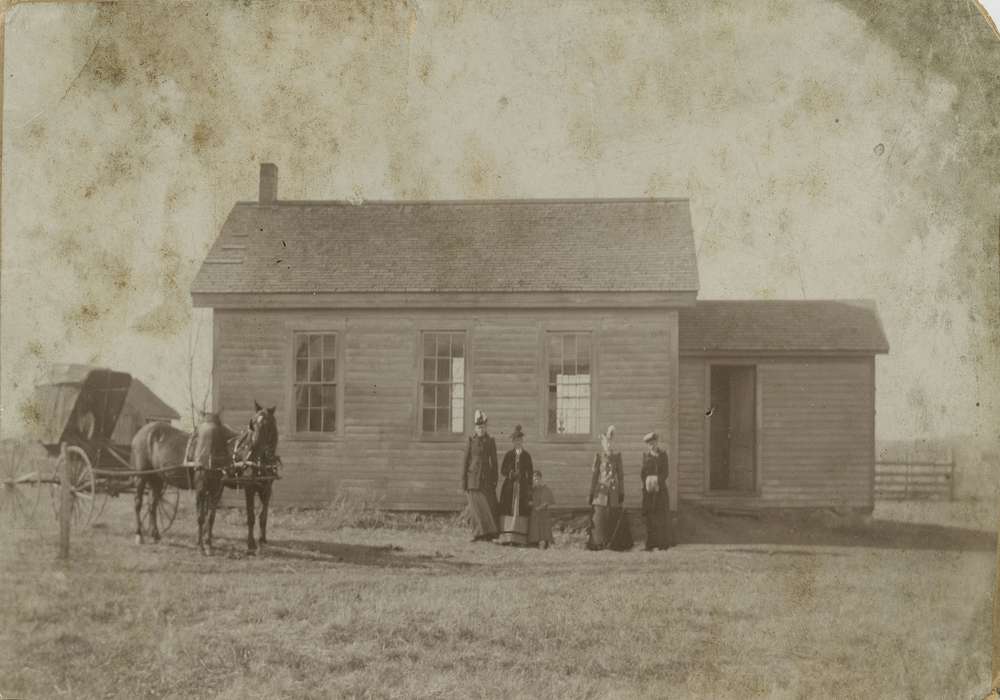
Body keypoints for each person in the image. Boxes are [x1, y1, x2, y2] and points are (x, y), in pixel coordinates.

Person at [586, 426, 633, 551]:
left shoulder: (617, 457)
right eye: (606, 443)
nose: (608, 445)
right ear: (602, 444)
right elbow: (594, 477)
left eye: (610, 442)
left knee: (613, 516)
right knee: (600, 517)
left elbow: (621, 476)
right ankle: (599, 542)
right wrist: (591, 493)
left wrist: (621, 492)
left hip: (613, 492)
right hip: (600, 493)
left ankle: (614, 544)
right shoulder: (598, 457)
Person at [461, 409, 499, 542]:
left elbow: (494, 462)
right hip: (473, 479)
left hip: (486, 479)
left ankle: (489, 534)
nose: (481, 429)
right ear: (475, 428)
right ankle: (476, 533)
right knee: (475, 508)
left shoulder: (490, 441)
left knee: (488, 506)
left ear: (486, 427)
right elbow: (466, 462)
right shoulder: (471, 441)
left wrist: (495, 479)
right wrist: (464, 481)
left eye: (483, 427)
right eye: (478, 427)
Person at [498, 424, 532, 545]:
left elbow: (530, 473)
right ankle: (507, 538)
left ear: (522, 441)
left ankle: (520, 539)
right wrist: (511, 474)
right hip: (509, 487)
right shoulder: (509, 455)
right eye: (515, 440)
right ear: (513, 442)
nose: (518, 442)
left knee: (521, 510)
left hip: (521, 488)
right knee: (508, 509)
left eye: (520, 440)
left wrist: (529, 489)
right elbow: (503, 470)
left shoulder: (527, 456)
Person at [640, 432, 672, 551]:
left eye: (653, 443)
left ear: (657, 442)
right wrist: (647, 482)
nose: (651, 446)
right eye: (649, 444)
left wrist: (657, 480)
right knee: (649, 518)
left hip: (660, 491)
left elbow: (665, 472)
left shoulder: (663, 455)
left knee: (661, 517)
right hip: (648, 492)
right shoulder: (646, 456)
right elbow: (643, 473)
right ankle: (649, 544)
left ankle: (662, 544)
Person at [528, 470, 555, 549]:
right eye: (534, 479)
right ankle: (534, 541)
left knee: (544, 526)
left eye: (537, 479)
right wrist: (531, 504)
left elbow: (546, 501)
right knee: (534, 524)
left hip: (543, 512)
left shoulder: (545, 489)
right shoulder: (533, 490)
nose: (536, 481)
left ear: (541, 479)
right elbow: (530, 500)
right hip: (535, 512)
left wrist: (539, 507)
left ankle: (546, 542)